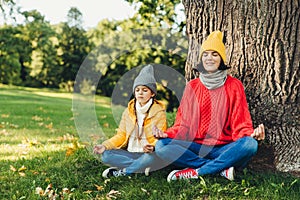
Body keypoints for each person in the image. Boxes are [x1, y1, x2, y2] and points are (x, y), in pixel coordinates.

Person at [152, 30, 265, 182]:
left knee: (250, 145)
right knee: (162, 146)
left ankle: (196, 172)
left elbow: (241, 123)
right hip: (196, 148)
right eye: (205, 54)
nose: (209, 58)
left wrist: (251, 135)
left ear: (221, 59)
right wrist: (168, 134)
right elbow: (183, 125)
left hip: (225, 148)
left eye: (214, 54)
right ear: (201, 58)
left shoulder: (234, 85)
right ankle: (219, 169)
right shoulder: (192, 86)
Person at [93, 64, 167, 178]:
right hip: (129, 153)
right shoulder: (128, 112)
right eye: (137, 90)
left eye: (144, 90)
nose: (140, 93)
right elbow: (121, 135)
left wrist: (152, 147)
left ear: (152, 93)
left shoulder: (159, 112)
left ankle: (124, 171)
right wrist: (105, 145)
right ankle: (141, 168)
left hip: (148, 154)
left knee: (150, 158)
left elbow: (160, 139)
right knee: (106, 155)